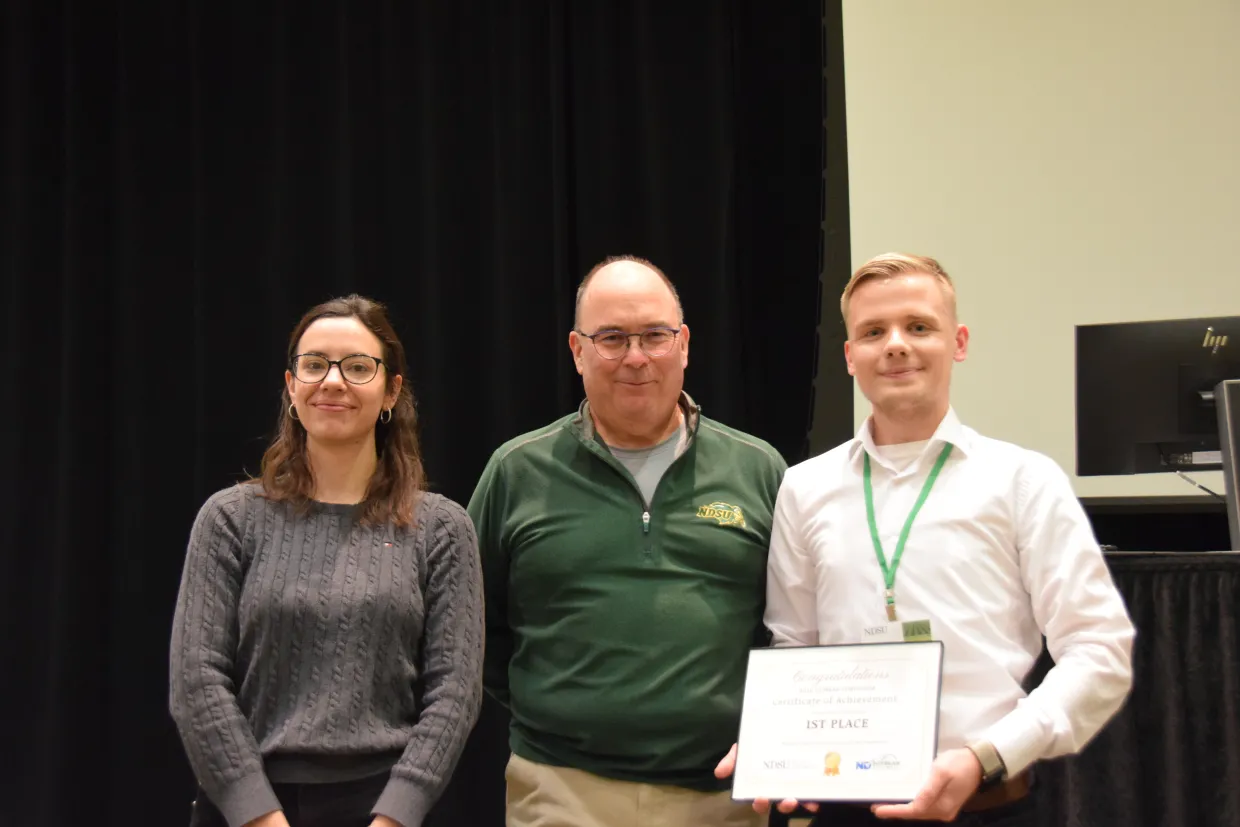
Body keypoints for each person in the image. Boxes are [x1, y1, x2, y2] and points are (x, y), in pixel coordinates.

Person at [716, 252, 1135, 825]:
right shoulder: (804, 486)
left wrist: (985, 758)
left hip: (989, 801)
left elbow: (1100, 651)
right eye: (872, 332)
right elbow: (795, 645)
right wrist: (776, 744)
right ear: (849, 357)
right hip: (844, 806)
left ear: (958, 342)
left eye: (918, 326)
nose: (895, 345)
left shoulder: (1021, 480)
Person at [468, 255, 787, 827]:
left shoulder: (759, 470)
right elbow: (470, 630)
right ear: (577, 350)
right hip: (562, 790)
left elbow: (792, 628)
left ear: (684, 344)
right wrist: (559, 706)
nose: (635, 358)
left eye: (654, 336)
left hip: (723, 795)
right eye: (611, 338)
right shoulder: (517, 472)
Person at [169, 295, 483, 827]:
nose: (333, 381)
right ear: (292, 386)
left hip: (388, 809)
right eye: (314, 364)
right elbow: (196, 681)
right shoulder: (229, 518)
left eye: (358, 367)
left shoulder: (442, 528)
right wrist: (258, 815)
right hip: (251, 806)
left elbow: (455, 692)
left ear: (391, 392)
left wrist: (395, 817)